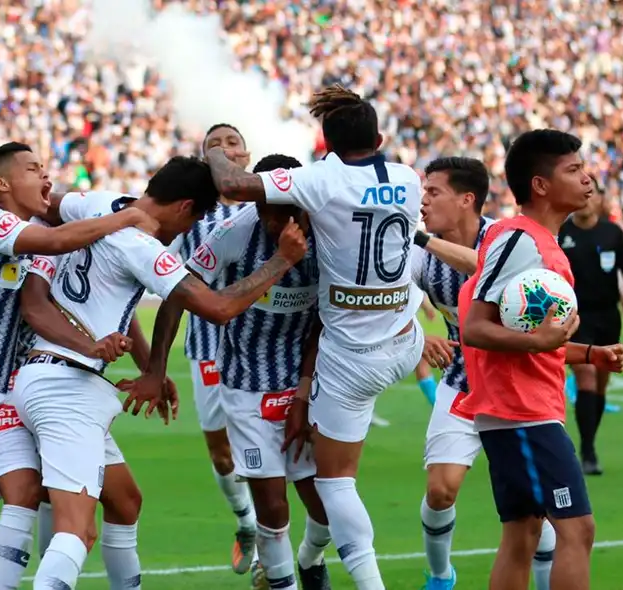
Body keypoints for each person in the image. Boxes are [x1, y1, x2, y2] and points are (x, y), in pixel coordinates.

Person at [10, 156, 308, 590]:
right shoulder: (144, 248)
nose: (186, 233)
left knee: (126, 502)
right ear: (186, 207)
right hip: (64, 388)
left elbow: (47, 207)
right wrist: (281, 261)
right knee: (74, 529)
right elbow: (218, 307)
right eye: (195, 220)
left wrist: (152, 367)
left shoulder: (96, 205)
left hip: (53, 377)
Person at [202, 84, 425, 590]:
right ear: (381, 137)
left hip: (350, 356)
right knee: (306, 491)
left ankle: (362, 581)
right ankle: (308, 562)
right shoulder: (409, 178)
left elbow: (236, 185)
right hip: (403, 336)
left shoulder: (319, 181)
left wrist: (217, 152)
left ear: (325, 146)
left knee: (334, 485)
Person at [0, 142, 157, 590]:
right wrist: (126, 216)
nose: (46, 178)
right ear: (2, 184)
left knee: (25, 491)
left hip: (6, 385)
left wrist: (136, 358)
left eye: (46, 169)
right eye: (33, 169)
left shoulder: (41, 232)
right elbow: (58, 239)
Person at [136, 153, 333, 590]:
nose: (268, 218)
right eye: (263, 205)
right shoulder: (235, 231)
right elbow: (175, 294)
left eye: (280, 208)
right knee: (274, 510)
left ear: (301, 203)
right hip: (246, 386)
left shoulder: (329, 234)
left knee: (327, 508)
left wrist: (303, 391)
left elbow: (326, 319)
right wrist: (156, 366)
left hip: (308, 382)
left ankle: (312, 560)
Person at [459, 129, 623, 590]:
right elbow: (475, 328)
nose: (587, 178)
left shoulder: (542, 245)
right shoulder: (520, 240)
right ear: (541, 185)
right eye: (573, 170)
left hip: (523, 410)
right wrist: (539, 344)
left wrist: (590, 353)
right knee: (577, 529)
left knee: (523, 533)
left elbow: (532, 337)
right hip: (521, 413)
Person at [412, 156, 556, 590]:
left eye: (433, 192)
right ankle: (440, 577)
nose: (423, 201)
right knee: (440, 491)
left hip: (518, 386)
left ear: (466, 199)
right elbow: (392, 300)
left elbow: (484, 267)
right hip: (463, 382)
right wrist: (418, 336)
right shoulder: (420, 254)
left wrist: (421, 240)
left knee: (534, 507)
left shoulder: (506, 237)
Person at [170, 123, 258, 576]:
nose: (224, 149)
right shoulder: (191, 211)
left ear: (246, 155)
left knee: (271, 449)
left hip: (263, 345)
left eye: (232, 142)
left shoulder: (269, 206)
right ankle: (247, 523)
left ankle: (278, 545)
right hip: (208, 345)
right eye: (214, 145)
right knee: (222, 452)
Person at [558, 180, 623, 475]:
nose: (586, 198)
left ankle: (588, 443)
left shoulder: (612, 233)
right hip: (574, 318)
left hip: (608, 317)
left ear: (599, 198)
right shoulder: (562, 233)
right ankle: (589, 452)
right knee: (586, 378)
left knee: (601, 383)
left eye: (592, 192)